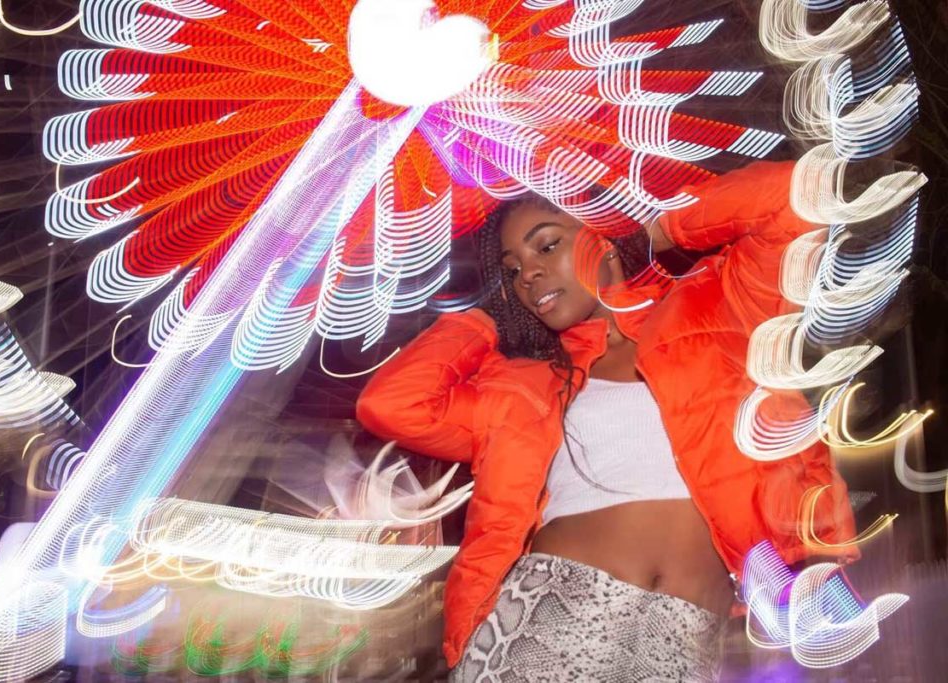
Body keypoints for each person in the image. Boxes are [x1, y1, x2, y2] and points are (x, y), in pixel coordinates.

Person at [356, 161, 858, 681]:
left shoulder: (725, 308)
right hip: (547, 618)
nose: (527, 274)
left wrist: (648, 229)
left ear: (602, 235)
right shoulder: (527, 386)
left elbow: (792, 197)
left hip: (685, 635)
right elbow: (393, 404)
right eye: (512, 269)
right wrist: (488, 318)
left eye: (546, 246)